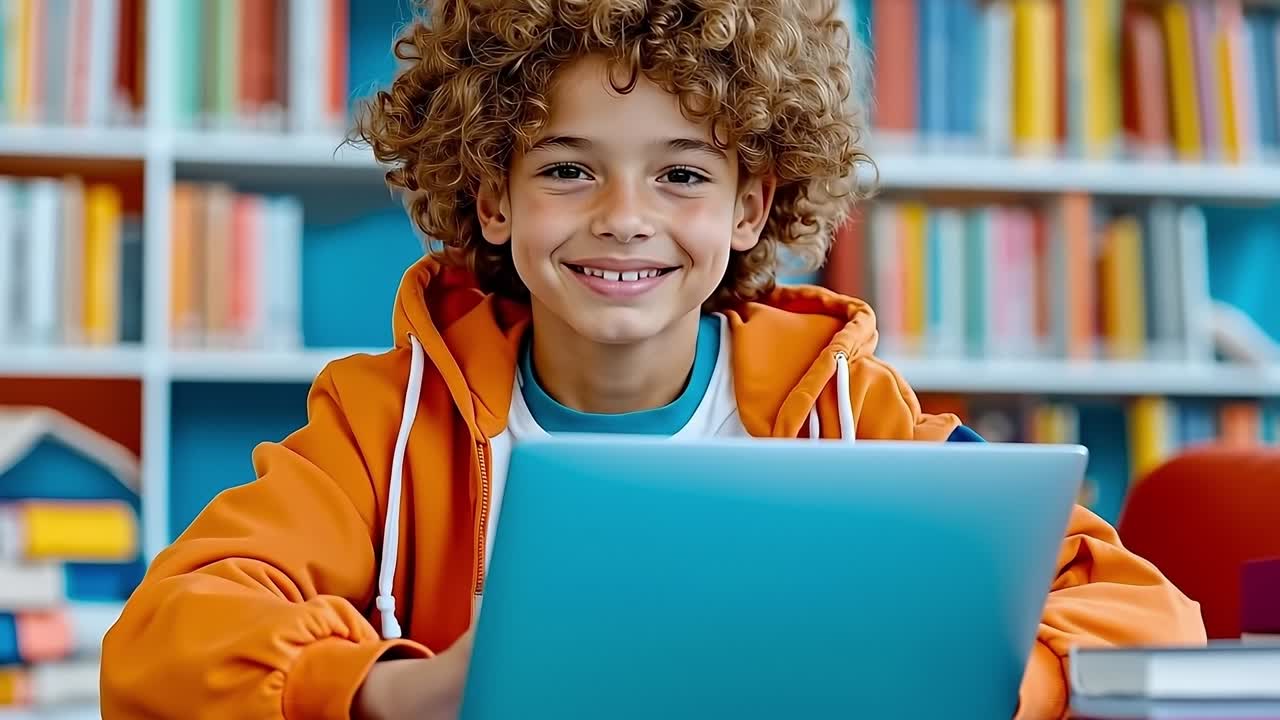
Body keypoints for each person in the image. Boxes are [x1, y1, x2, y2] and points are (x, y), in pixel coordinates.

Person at [99, 1, 1206, 718]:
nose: (623, 219)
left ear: (750, 207)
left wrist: (962, 679)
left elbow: (1144, 616)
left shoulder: (848, 410)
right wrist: (407, 694)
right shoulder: (378, 423)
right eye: (568, 170)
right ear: (491, 198)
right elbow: (159, 643)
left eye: (681, 175)